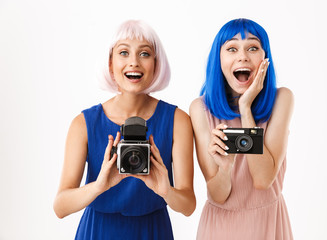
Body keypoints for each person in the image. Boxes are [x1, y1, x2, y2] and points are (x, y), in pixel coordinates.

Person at [53, 20, 196, 240]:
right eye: (123, 53)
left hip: (153, 231)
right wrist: (99, 186)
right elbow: (60, 207)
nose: (134, 62)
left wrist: (166, 190)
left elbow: (188, 206)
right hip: (98, 231)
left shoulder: (178, 121)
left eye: (145, 54)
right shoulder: (83, 124)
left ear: (156, 64)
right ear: (110, 64)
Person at [190, 18, 294, 240]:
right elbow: (218, 195)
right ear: (219, 59)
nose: (243, 56)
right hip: (220, 228)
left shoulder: (282, 99)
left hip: (269, 224)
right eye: (232, 48)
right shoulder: (200, 109)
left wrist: (245, 108)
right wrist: (225, 169)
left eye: (253, 48)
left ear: (265, 59)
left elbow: (263, 180)